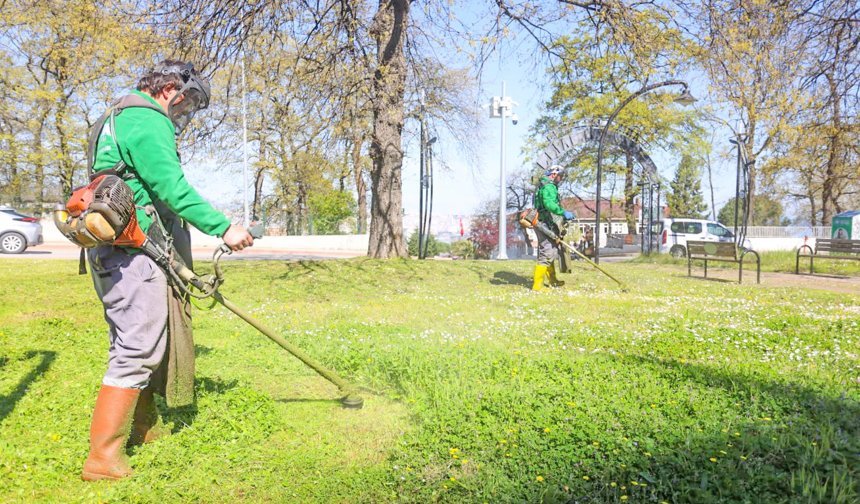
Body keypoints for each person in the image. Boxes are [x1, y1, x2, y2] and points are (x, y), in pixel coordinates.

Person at [81, 60, 254, 481]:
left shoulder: (117, 114)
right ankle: (102, 459)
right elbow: (170, 187)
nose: (186, 110)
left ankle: (143, 428)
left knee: (133, 341)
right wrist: (224, 227)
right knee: (138, 347)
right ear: (170, 87)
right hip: (133, 251)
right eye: (188, 100)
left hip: (118, 248)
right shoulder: (144, 116)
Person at [532, 165, 575, 291]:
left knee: (551, 252)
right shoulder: (549, 186)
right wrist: (562, 212)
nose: (560, 179)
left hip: (542, 221)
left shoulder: (543, 185)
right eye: (560, 176)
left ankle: (552, 280)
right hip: (544, 223)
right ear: (554, 174)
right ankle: (537, 286)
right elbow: (548, 203)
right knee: (547, 253)